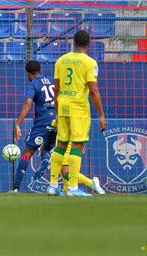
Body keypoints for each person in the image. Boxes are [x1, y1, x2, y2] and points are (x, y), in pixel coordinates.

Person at [48, 30, 107, 197]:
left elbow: (57, 89)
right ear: (88, 44)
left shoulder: (61, 60)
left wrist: (57, 112)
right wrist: (101, 114)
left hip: (63, 106)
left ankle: (52, 185)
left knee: (61, 145)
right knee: (77, 146)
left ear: (73, 42)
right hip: (78, 108)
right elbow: (94, 91)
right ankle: (73, 187)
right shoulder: (89, 63)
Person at [11, 60, 57, 193]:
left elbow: (28, 103)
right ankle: (46, 160)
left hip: (42, 121)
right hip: (56, 120)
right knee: (45, 148)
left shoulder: (33, 83)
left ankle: (15, 188)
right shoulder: (52, 81)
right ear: (40, 70)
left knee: (27, 153)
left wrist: (18, 123)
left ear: (29, 74)